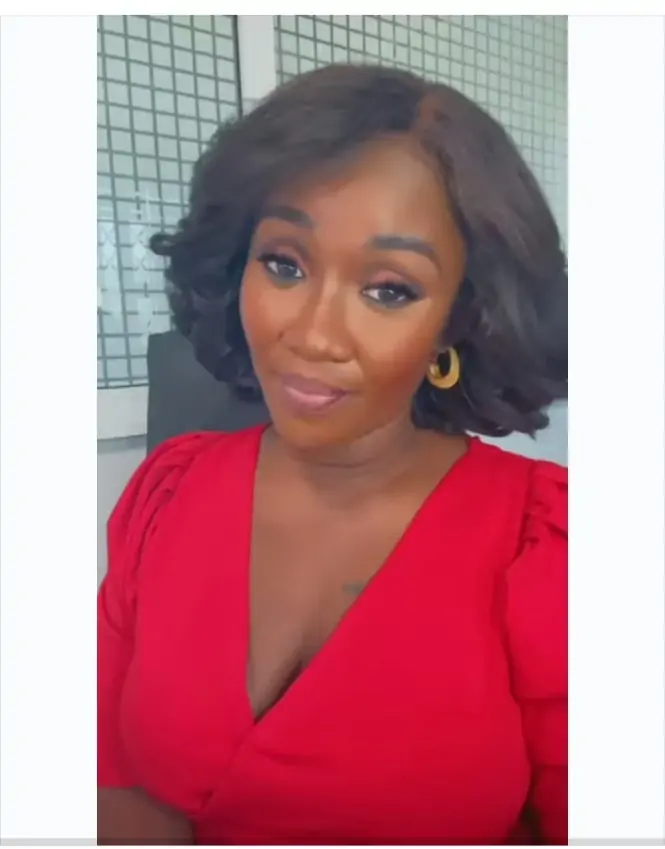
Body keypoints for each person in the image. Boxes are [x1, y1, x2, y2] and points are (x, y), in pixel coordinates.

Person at [97, 63, 567, 845]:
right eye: (283, 263)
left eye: (389, 289)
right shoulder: (165, 493)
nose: (313, 335)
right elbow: (107, 774)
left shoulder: (546, 544)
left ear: (456, 322)